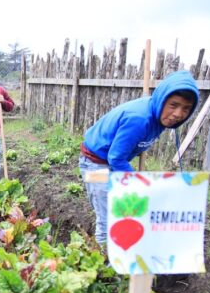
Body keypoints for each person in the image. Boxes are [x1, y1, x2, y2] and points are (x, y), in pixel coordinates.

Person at [79, 70, 199, 244]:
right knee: (108, 219)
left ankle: (128, 250)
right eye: (174, 105)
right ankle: (104, 263)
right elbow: (116, 158)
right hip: (96, 164)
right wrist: (139, 181)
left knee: (126, 212)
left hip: (113, 161)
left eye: (186, 109)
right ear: (162, 99)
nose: (178, 114)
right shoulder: (139, 119)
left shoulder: (160, 117)